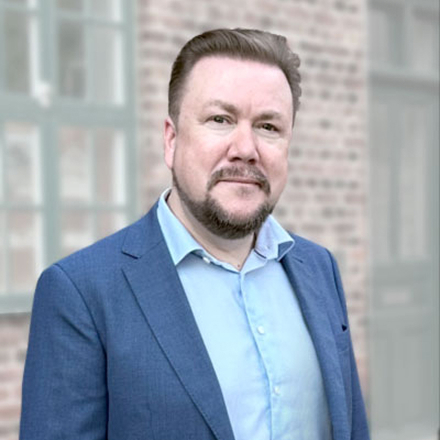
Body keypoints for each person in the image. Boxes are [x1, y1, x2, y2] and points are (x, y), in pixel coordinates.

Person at [20, 28, 370, 440]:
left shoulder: (319, 269)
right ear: (171, 140)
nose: (246, 148)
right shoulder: (82, 293)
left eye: (269, 127)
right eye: (220, 120)